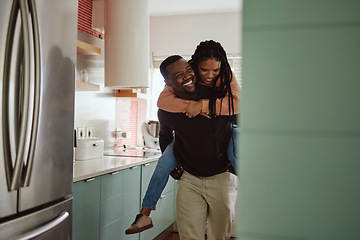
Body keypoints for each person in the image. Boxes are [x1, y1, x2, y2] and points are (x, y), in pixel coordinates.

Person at [126, 41, 240, 236]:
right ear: (168, 82)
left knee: (219, 235)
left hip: (221, 178)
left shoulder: (220, 91)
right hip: (190, 180)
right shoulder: (168, 107)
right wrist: (175, 170)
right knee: (188, 235)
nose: (209, 75)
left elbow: (238, 111)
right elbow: (164, 135)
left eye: (188, 71)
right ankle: (145, 214)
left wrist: (204, 106)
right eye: (203, 70)